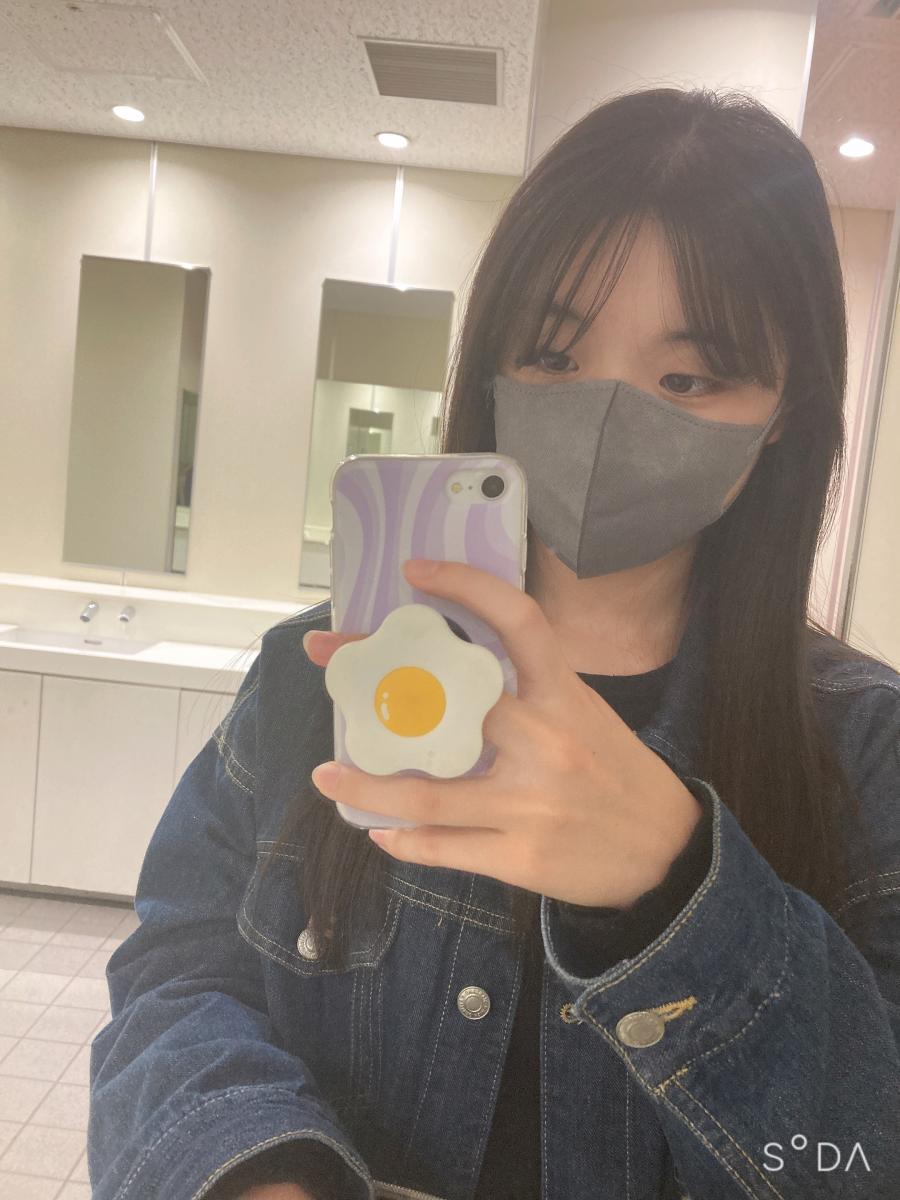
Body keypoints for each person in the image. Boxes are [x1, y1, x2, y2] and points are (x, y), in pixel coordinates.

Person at [88, 86, 900, 1200]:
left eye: (689, 376)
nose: (608, 414)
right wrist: (257, 1175)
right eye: (555, 355)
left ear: (785, 414)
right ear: (493, 372)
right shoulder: (317, 675)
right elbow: (177, 973)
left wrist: (679, 891)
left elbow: (869, 1156)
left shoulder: (867, 751)